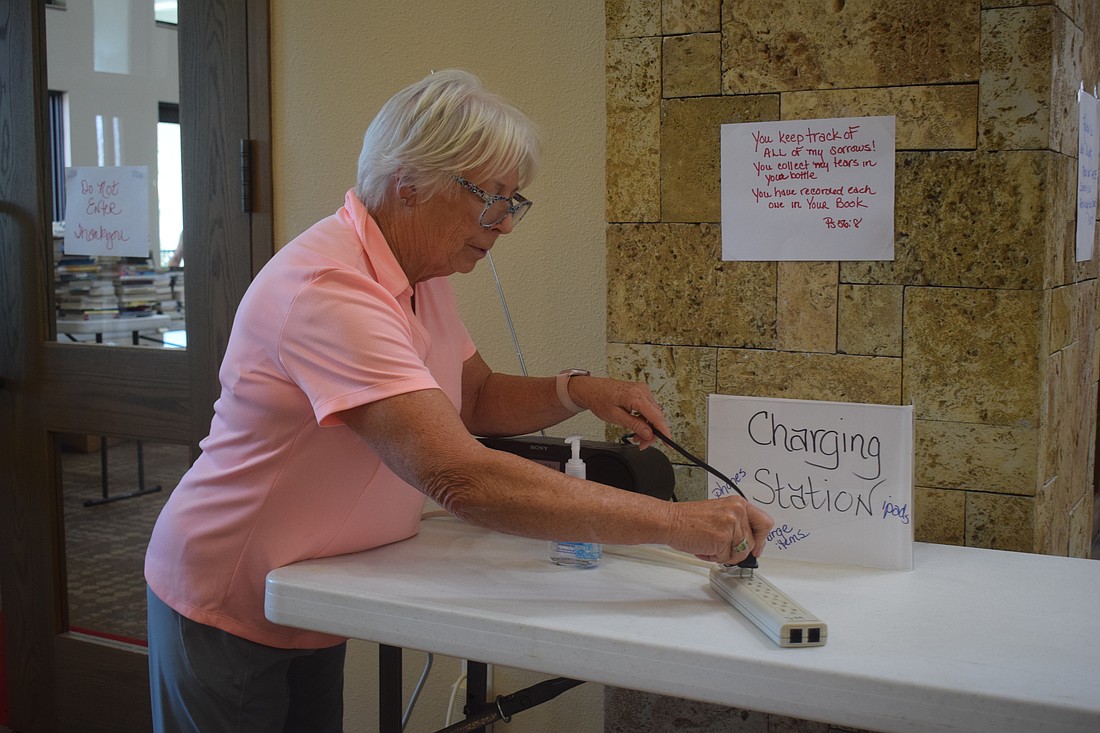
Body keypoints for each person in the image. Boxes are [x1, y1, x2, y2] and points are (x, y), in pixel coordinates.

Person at [144, 69, 773, 732]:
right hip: (228, 591)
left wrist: (578, 389)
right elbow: (458, 473)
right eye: (489, 198)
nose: (503, 224)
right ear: (409, 183)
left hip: (312, 589)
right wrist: (679, 526)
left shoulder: (420, 270)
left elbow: (473, 395)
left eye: (513, 201)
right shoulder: (330, 288)